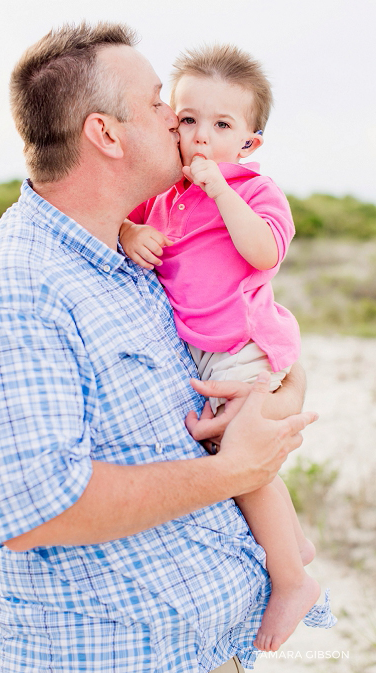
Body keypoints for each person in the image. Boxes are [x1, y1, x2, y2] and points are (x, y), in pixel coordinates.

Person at [0, 22, 326, 673]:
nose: (177, 118)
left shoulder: (128, 250)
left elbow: (227, 327)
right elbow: (35, 508)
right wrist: (233, 470)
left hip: (205, 647)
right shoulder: (10, 296)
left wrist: (281, 385)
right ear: (106, 134)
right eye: (158, 101)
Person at [118, 44, 329, 652]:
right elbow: (115, 220)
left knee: (240, 452)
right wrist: (132, 229)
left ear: (250, 143)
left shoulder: (256, 192)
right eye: (187, 120)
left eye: (221, 125)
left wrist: (220, 188)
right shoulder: (164, 197)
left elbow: (264, 252)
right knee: (225, 451)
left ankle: (292, 579)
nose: (201, 138)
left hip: (246, 341)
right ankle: (291, 542)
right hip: (201, 350)